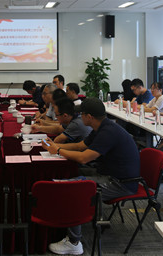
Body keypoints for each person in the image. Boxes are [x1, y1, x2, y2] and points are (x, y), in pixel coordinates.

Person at [41, 98, 140, 255]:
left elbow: (84, 158)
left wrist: (58, 151)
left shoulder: (108, 132)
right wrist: (55, 145)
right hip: (108, 173)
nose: (79, 117)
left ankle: (74, 242)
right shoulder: (101, 127)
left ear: (89, 117)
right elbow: (80, 146)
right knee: (71, 175)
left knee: (74, 190)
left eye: (81, 114)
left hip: (121, 183)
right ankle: (66, 220)